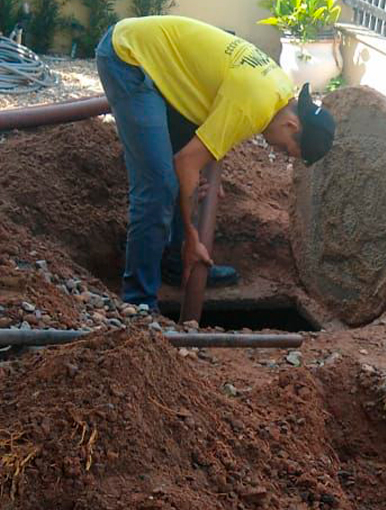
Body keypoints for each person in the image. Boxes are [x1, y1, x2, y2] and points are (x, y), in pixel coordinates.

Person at [95, 15, 336, 310]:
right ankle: (138, 302)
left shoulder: (279, 90)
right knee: (160, 186)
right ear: (292, 127)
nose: (277, 151)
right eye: (287, 150)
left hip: (166, 66)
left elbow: (220, 112)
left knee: (191, 180)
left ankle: (172, 262)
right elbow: (185, 163)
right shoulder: (256, 105)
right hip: (130, 57)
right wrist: (193, 237)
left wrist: (204, 169)